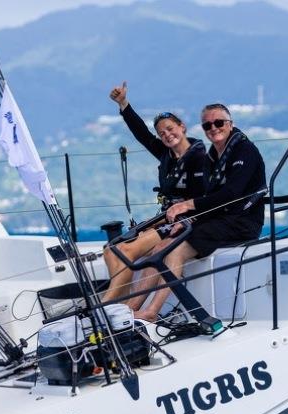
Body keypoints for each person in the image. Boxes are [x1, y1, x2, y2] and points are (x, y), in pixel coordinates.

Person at [133, 103, 266, 322]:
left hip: (242, 223)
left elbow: (231, 194)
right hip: (218, 220)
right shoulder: (214, 153)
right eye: (207, 125)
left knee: (174, 252)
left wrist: (187, 206)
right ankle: (132, 307)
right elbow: (209, 198)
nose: (213, 128)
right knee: (160, 247)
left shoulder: (245, 150)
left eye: (219, 123)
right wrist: (189, 220)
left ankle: (151, 312)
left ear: (231, 124)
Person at [102, 81, 208, 305]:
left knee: (126, 252)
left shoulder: (200, 158)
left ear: (182, 127)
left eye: (170, 129)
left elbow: (205, 199)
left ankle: (112, 304)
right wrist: (123, 104)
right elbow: (141, 134)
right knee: (111, 250)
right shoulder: (165, 154)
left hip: (184, 221)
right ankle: (118, 302)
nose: (167, 135)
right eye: (162, 133)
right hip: (164, 217)